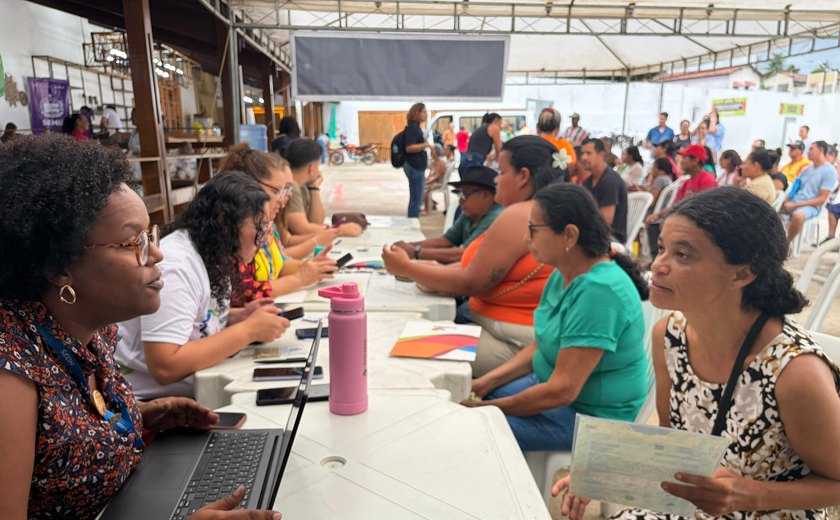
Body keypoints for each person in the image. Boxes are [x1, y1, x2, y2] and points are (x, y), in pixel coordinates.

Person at [0, 134, 281, 519]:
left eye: (151, 235)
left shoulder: (90, 332)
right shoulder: (11, 375)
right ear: (57, 264)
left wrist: (140, 414)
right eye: (132, 242)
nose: (157, 254)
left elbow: (57, 439)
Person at [553, 187, 840, 520]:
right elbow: (671, 442)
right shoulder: (670, 336)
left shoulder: (794, 372)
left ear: (742, 273)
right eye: (661, 249)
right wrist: (604, 474)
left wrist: (749, 495)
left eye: (683, 255)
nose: (658, 265)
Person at [462, 183, 649, 451]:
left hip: (591, 418)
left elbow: (563, 390)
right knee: (471, 399)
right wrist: (484, 384)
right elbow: (542, 345)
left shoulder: (599, 291)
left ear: (569, 236)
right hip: (554, 391)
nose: (527, 240)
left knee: (476, 427)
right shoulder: (563, 272)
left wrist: (490, 409)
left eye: (533, 231)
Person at [382, 135, 561, 377]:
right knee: (404, 336)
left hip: (511, 343)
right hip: (502, 333)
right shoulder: (530, 212)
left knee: (398, 345)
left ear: (523, 176)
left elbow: (470, 282)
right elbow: (471, 267)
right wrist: (418, 265)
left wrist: (407, 268)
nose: (496, 178)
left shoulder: (521, 215)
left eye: (502, 170)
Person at [116, 172, 291, 400]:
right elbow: (165, 366)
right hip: (151, 409)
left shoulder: (213, 253)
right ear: (224, 222)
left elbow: (195, 319)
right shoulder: (176, 266)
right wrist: (248, 331)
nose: (265, 238)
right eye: (260, 227)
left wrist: (238, 317)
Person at [219, 144, 338, 307]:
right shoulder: (232, 230)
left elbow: (279, 263)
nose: (284, 200)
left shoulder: (267, 224)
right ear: (248, 185)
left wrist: (309, 267)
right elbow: (243, 292)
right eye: (278, 192)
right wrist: (300, 278)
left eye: (288, 191)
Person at [393, 166, 504, 264]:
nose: (461, 201)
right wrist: (407, 247)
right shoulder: (471, 214)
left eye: (465, 194)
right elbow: (445, 241)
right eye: (460, 194)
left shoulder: (495, 217)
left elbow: (462, 254)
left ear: (486, 195)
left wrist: (416, 252)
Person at [781, 141, 838, 245]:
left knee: (798, 216)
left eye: (811, 149)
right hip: (794, 202)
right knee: (769, 209)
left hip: (810, 206)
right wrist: (783, 202)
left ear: (821, 150)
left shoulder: (829, 171)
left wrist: (795, 205)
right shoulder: (806, 169)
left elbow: (821, 199)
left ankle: (785, 245)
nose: (808, 151)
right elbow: (794, 190)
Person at [645, 144, 717, 225]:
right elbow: (676, 205)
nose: (681, 161)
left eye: (684, 158)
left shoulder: (707, 179)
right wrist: (658, 215)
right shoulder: (687, 182)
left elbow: (705, 210)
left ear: (695, 160)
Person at [579, 138, 628, 243]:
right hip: (593, 232)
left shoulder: (610, 181)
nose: (583, 157)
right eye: (582, 153)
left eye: (588, 153)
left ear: (601, 155)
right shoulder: (587, 182)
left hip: (610, 238)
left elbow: (605, 222)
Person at [402, 103, 433, 218]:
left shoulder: (415, 128)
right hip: (414, 166)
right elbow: (409, 148)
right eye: (424, 112)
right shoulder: (413, 128)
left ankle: (413, 221)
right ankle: (412, 222)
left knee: (416, 197)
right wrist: (425, 145)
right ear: (417, 113)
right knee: (417, 199)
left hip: (416, 166)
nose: (426, 115)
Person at [642, 157, 676, 256]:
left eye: (653, 167)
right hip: (662, 215)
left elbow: (652, 201)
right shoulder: (668, 179)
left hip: (654, 216)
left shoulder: (659, 180)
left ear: (657, 168)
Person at [823, 145, 840, 244]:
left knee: (833, 206)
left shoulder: (836, 166)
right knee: (832, 207)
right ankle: (831, 236)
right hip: (835, 198)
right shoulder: (831, 167)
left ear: (833, 155)